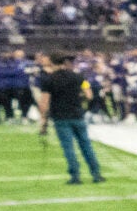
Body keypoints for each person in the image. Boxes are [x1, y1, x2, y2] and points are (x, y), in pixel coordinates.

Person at [35, 53, 102, 184]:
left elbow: (44, 103)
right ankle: (96, 174)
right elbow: (89, 94)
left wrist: (43, 122)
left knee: (68, 147)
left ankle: (75, 176)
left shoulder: (48, 80)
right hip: (77, 115)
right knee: (86, 145)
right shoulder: (77, 76)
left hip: (60, 117)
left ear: (51, 63)